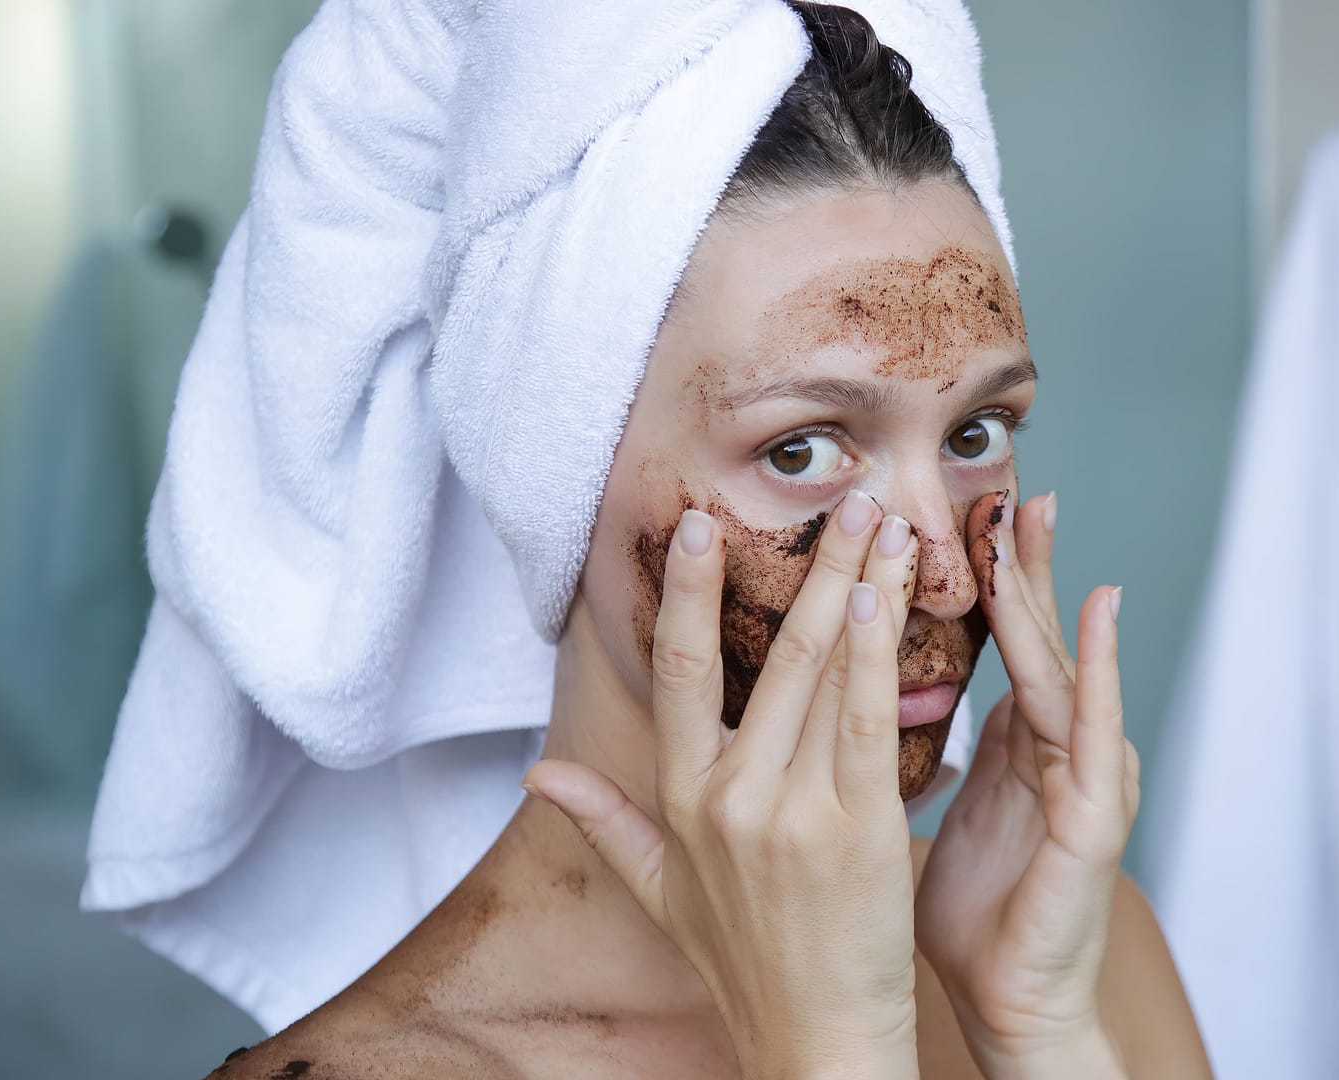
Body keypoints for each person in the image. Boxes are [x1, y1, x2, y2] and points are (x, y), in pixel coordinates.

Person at [207, 4, 1210, 1076]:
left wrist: (1039, 1038)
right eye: (802, 451)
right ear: (563, 477)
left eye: (975, 432)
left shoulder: (1071, 962)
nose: (950, 578)